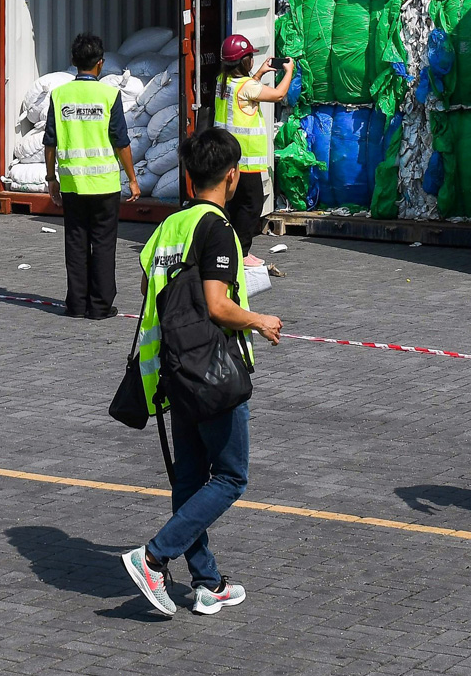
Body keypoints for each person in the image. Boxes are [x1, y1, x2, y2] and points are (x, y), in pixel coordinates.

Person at [122, 125, 284, 618]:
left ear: (190, 178)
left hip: (173, 370)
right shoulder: (216, 228)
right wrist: (258, 318)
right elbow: (216, 304)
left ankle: (208, 582)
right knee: (231, 477)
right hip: (212, 371)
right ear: (232, 176)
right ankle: (152, 557)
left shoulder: (169, 227)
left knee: (190, 479)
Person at [46, 33, 139, 320]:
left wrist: (52, 179)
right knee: (103, 244)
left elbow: (50, 142)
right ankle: (99, 306)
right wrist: (132, 179)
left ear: (73, 62)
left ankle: (75, 304)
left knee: (75, 243)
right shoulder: (109, 95)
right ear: (100, 64)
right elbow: (121, 142)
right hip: (104, 186)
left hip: (73, 185)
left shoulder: (59, 95)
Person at [213, 34, 294, 259]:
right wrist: (289, 72)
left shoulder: (222, 80)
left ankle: (230, 249)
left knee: (233, 205)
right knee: (252, 205)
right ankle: (242, 252)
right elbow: (278, 95)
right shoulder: (246, 86)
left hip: (226, 157)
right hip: (245, 160)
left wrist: (259, 73)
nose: (252, 60)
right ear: (244, 60)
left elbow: (247, 92)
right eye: (250, 57)